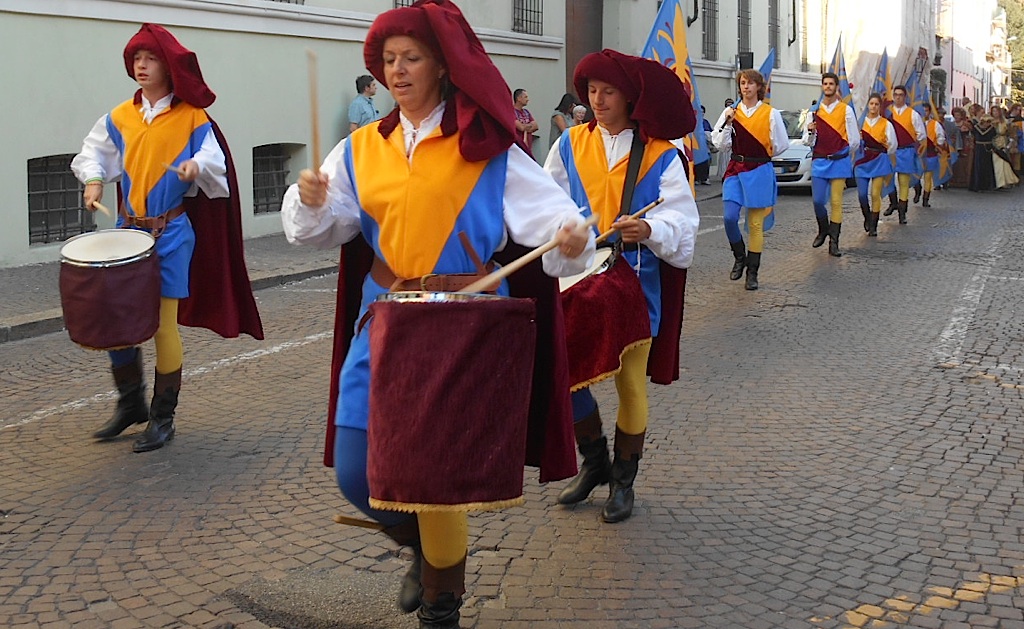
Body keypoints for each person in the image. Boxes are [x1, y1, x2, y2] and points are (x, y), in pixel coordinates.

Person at [280, 1, 593, 626]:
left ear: (443, 67)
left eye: (411, 58)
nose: (397, 71)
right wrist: (310, 200)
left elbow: (556, 221)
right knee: (354, 470)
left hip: (465, 321)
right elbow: (321, 229)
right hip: (385, 317)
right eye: (389, 60)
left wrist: (571, 235)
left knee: (438, 471)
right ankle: (425, 556)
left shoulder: (488, 149)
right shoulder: (360, 148)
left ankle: (441, 605)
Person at [71, 23, 263, 453]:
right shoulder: (119, 117)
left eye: (151, 58)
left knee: (162, 325)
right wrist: (94, 180)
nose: (141, 65)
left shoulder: (192, 117)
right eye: (136, 58)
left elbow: (214, 163)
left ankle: (162, 418)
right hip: (128, 233)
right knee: (117, 318)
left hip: (172, 232)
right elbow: (93, 153)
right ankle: (131, 404)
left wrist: (197, 168)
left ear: (168, 66)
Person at [543, 49, 698, 523]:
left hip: (635, 284)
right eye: (592, 91)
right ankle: (595, 462)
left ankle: (624, 480)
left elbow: (682, 219)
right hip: (577, 279)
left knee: (630, 383)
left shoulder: (661, 155)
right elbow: (546, 203)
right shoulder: (569, 143)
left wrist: (648, 229)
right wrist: (562, 231)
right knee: (564, 374)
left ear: (630, 97)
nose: (597, 100)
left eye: (608, 91)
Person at [711, 69, 789, 290]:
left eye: (750, 83)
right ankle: (739, 256)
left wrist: (761, 152)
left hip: (759, 170)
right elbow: (720, 144)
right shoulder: (731, 112)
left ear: (759, 87)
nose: (746, 87)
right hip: (736, 168)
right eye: (743, 83)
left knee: (755, 224)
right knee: (729, 217)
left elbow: (781, 144)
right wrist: (728, 124)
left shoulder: (770, 113)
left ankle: (752, 272)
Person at [802, 72, 860, 256]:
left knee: (836, 202)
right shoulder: (814, 111)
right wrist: (810, 132)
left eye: (831, 84)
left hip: (839, 162)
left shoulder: (845, 110)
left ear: (836, 87)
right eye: (825, 83)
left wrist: (842, 151)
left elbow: (854, 139)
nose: (828, 86)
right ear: (822, 86)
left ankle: (834, 242)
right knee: (818, 201)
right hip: (820, 161)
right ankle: (823, 229)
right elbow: (807, 141)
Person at [855, 93, 897, 237]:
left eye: (876, 104)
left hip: (879, 160)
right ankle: (867, 216)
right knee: (862, 195)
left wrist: (883, 151)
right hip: (862, 161)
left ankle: (873, 226)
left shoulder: (886, 124)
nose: (873, 106)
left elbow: (893, 144)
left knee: (875, 194)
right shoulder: (860, 123)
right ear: (868, 105)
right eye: (871, 103)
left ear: (880, 106)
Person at [882, 85, 924, 225]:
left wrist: (914, 143)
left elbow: (921, 133)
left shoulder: (912, 114)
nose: (898, 97)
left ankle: (902, 212)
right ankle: (893, 202)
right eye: (896, 95)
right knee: (888, 179)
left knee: (903, 182)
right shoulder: (888, 113)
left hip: (906, 151)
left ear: (905, 97)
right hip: (891, 151)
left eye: (900, 95)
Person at [917, 102, 947, 207]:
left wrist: (937, 144)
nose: (924, 113)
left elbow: (941, 136)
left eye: (926, 111)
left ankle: (926, 199)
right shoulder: (916, 123)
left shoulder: (935, 124)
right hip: (918, 154)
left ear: (929, 112)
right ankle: (917, 190)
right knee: (915, 175)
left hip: (930, 153)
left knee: (928, 177)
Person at [990, 105, 1020, 189]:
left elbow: (1011, 133)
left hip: (1003, 142)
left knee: (1003, 161)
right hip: (993, 142)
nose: (995, 113)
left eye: (996, 111)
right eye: (993, 111)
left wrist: (1010, 143)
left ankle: (1004, 181)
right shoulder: (990, 121)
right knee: (995, 162)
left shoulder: (1005, 122)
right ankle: (998, 181)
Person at [969, 114, 997, 192]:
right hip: (979, 148)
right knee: (978, 166)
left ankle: (986, 185)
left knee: (987, 166)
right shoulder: (976, 128)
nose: (988, 123)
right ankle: (977, 185)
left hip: (987, 149)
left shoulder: (991, 128)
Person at [950, 106, 974, 188]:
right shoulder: (952, 124)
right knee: (955, 162)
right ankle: (953, 180)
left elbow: (971, 133)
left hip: (964, 144)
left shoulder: (966, 123)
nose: (956, 117)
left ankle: (964, 181)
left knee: (963, 162)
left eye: (958, 115)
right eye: (955, 115)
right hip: (954, 144)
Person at [513, 88, 539, 157]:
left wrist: (525, 127)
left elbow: (536, 126)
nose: (528, 99)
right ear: (518, 98)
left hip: (528, 148)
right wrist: (529, 126)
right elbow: (521, 127)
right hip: (518, 148)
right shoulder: (512, 112)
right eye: (525, 97)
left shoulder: (526, 112)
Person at [715, 97, 735, 180]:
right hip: (725, 142)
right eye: (727, 104)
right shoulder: (724, 115)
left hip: (733, 144)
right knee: (724, 162)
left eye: (730, 104)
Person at [693, 105, 713, 184]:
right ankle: (696, 178)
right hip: (696, 146)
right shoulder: (694, 121)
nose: (701, 113)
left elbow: (711, 132)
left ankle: (705, 178)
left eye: (703, 112)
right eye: (700, 112)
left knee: (706, 162)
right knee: (697, 163)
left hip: (705, 146)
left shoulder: (705, 122)